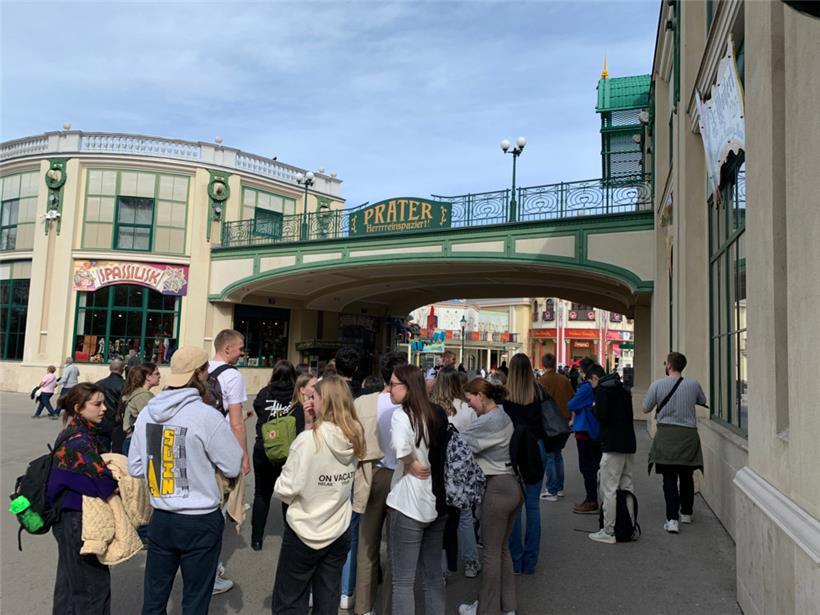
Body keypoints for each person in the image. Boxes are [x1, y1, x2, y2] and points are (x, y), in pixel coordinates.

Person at [128, 346, 243, 615]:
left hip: (162, 517)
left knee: (154, 599)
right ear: (201, 374)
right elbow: (232, 464)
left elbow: (135, 466)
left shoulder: (148, 413)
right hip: (199, 518)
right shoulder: (206, 416)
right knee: (195, 600)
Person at [271, 375, 364, 614]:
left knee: (290, 601)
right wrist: (313, 422)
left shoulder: (308, 441)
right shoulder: (354, 436)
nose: (310, 401)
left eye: (314, 397)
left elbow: (285, 488)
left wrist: (309, 428)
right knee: (327, 600)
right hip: (338, 528)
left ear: (326, 401)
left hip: (305, 529)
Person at [48, 383, 118, 614]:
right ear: (79, 408)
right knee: (93, 588)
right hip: (78, 520)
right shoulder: (81, 441)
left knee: (69, 584)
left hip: (65, 517)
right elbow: (104, 484)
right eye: (97, 404)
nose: (104, 408)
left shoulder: (70, 432)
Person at [386, 364, 449, 615]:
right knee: (433, 575)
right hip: (435, 500)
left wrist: (410, 462)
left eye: (393, 384)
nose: (389, 388)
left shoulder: (402, 415)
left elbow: (401, 448)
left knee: (403, 581)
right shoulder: (434, 413)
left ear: (408, 387)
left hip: (407, 501)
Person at [458, 378, 522, 615]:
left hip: (497, 487)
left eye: (469, 400)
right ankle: (507, 607)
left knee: (491, 553)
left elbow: (460, 443)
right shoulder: (503, 415)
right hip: (513, 486)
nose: (469, 406)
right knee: (502, 550)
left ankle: (486, 609)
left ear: (480, 396)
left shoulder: (488, 421)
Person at [353, 352, 407, 615]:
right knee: (396, 547)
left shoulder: (364, 403)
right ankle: (389, 607)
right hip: (402, 476)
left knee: (367, 545)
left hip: (372, 474)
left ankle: (363, 606)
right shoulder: (410, 404)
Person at [642, 351, 707, 533]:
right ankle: (686, 513)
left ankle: (672, 519)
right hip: (688, 436)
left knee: (669, 478)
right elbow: (703, 400)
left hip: (667, 436)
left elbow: (645, 407)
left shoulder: (657, 385)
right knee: (687, 475)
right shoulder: (693, 384)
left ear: (669, 365)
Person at [209, 329, 249, 594]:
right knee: (218, 512)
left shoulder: (199, 370)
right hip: (221, 450)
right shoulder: (233, 376)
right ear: (227, 349)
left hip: (197, 445)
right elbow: (236, 423)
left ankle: (210, 564)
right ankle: (209, 573)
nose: (243, 352)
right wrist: (243, 456)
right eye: (240, 348)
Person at [430, 367, 479, 577]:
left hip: (436, 467)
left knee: (439, 518)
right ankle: (470, 562)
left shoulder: (432, 408)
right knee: (465, 515)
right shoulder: (467, 410)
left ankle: (439, 566)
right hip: (459, 470)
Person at [502, 353, 546, 574]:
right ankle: (531, 561)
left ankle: (516, 559)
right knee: (533, 505)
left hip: (514, 449)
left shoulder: (505, 396)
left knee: (515, 506)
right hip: (536, 447)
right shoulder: (538, 391)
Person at [251, 360, 301, 551]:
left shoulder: (265, 393)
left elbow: (257, 408)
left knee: (261, 493)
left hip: (264, 449)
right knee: (288, 495)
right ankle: (289, 536)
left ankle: (257, 539)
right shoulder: (296, 396)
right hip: (289, 451)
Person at [585, 364, 636, 544]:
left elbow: (602, 415)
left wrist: (593, 408)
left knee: (609, 488)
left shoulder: (602, 391)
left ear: (595, 378)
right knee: (627, 485)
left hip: (612, 445)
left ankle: (609, 530)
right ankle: (629, 526)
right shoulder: (623, 389)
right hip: (628, 443)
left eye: (589, 381)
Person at [332, 345, 363, 607]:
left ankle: (316, 588)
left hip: (325, 467)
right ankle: (345, 590)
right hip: (352, 467)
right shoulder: (362, 396)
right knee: (351, 529)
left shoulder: (325, 393)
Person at [538, 353, 575, 501]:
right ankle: (559, 487)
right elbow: (573, 398)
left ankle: (552, 489)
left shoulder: (542, 381)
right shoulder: (564, 380)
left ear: (543, 364)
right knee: (558, 455)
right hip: (564, 422)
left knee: (550, 456)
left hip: (549, 424)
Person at [120, 363, 160, 455]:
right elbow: (151, 420)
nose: (159, 376)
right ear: (148, 377)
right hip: (136, 440)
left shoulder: (139, 393)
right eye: (157, 374)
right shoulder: (142, 396)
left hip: (133, 440)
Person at [95, 359, 125, 453]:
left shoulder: (99, 384)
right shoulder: (125, 385)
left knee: (102, 453)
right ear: (122, 370)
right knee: (118, 454)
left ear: (110, 368)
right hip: (118, 423)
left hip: (101, 421)